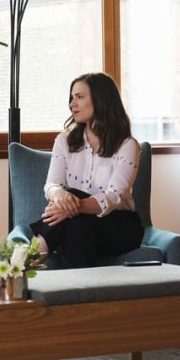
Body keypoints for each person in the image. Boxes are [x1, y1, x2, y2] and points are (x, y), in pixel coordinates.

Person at [29, 72, 144, 268]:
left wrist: (73, 206)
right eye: (72, 97)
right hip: (80, 225)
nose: (72, 104)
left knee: (72, 205)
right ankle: (83, 294)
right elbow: (52, 185)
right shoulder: (64, 141)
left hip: (118, 226)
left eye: (80, 97)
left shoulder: (127, 145)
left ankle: (23, 263)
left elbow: (114, 197)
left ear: (101, 100)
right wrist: (62, 197)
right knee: (76, 227)